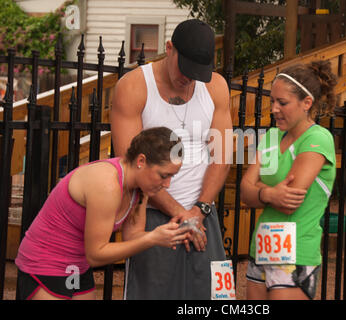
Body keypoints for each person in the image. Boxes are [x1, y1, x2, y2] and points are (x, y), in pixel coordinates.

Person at [110, 19, 232, 299]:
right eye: (185, 68)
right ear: (169, 49)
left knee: (213, 297)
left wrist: (198, 210)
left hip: (202, 215)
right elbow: (133, 166)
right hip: (151, 214)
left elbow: (222, 155)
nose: (188, 78)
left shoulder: (216, 87)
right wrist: (181, 213)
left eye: (197, 73)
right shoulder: (134, 87)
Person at [15, 127, 190, 300]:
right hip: (45, 264)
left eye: (171, 177)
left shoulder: (140, 188)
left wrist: (167, 235)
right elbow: (96, 254)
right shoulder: (107, 184)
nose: (167, 184)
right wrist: (152, 238)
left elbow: (133, 236)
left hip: (77, 267)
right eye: (163, 175)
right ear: (141, 161)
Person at [240, 60, 337, 300]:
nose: (274, 108)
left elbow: (289, 200)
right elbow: (244, 192)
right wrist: (269, 194)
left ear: (307, 103)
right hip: (260, 250)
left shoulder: (318, 138)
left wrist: (259, 189)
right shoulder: (271, 136)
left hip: (296, 255)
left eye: (282, 102)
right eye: (272, 101)